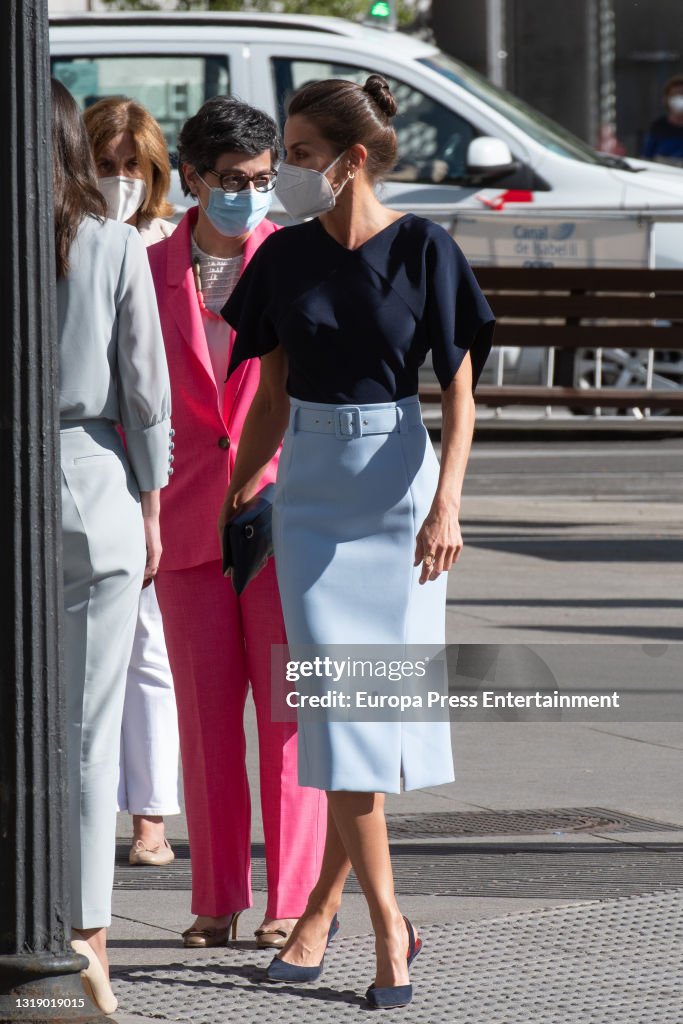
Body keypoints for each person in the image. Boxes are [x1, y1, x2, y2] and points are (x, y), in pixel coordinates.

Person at [219, 75, 494, 1009]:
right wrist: (234, 490)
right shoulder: (283, 257)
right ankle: (385, 928)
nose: (282, 175)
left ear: (353, 159)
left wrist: (448, 504)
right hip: (312, 498)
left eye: (297, 157)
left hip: (400, 488)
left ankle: (333, 917)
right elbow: (271, 393)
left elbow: (458, 396)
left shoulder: (425, 248)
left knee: (360, 727)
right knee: (343, 723)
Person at [147, 96, 327, 950]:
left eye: (259, 181)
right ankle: (216, 897)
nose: (246, 195)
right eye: (229, 181)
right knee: (206, 723)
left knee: (288, 719)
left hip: (283, 519)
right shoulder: (142, 270)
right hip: (183, 522)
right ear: (190, 176)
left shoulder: (297, 261)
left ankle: (288, 900)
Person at [53, 79, 172, 1015]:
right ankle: (87, 934)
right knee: (91, 736)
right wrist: (154, 503)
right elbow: (145, 392)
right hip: (94, 483)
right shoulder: (111, 242)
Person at [84, 96, 180, 867]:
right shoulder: (78, 237)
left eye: (130, 166)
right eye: (104, 165)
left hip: (161, 458)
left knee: (147, 643)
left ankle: (150, 810)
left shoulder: (166, 242)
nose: (118, 179)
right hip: (101, 453)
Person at [641, 74, 683, 165]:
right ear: (666, 99)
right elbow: (646, 158)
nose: (680, 98)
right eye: (675, 95)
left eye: (682, 94)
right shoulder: (658, 127)